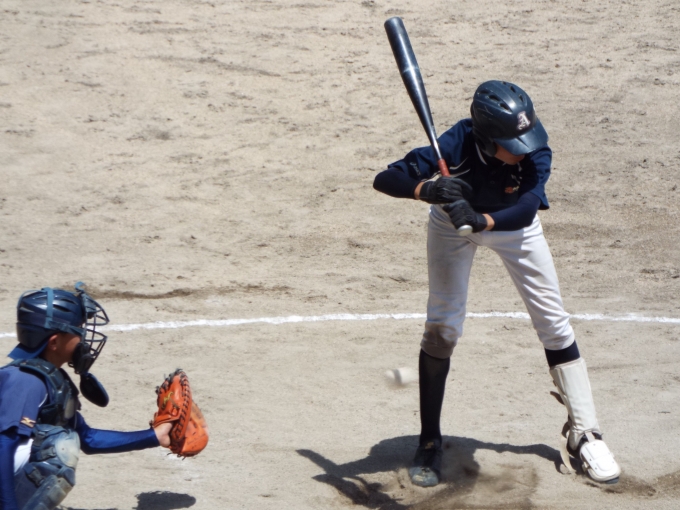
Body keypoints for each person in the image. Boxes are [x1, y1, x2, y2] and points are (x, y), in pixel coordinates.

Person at [373, 80, 621, 487]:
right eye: (512, 143)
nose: (524, 149)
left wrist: (481, 220)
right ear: (487, 140)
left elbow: (525, 210)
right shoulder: (454, 144)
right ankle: (429, 441)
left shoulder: (536, 150)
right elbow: (386, 178)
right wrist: (427, 189)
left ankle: (586, 434)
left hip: (514, 229)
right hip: (451, 228)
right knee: (442, 327)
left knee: (553, 322)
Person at [0, 283, 173, 510]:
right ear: (54, 342)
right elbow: (3, 446)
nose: (83, 339)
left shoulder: (52, 379)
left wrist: (155, 436)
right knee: (56, 448)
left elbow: (88, 439)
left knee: (64, 439)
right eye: (78, 331)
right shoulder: (26, 381)